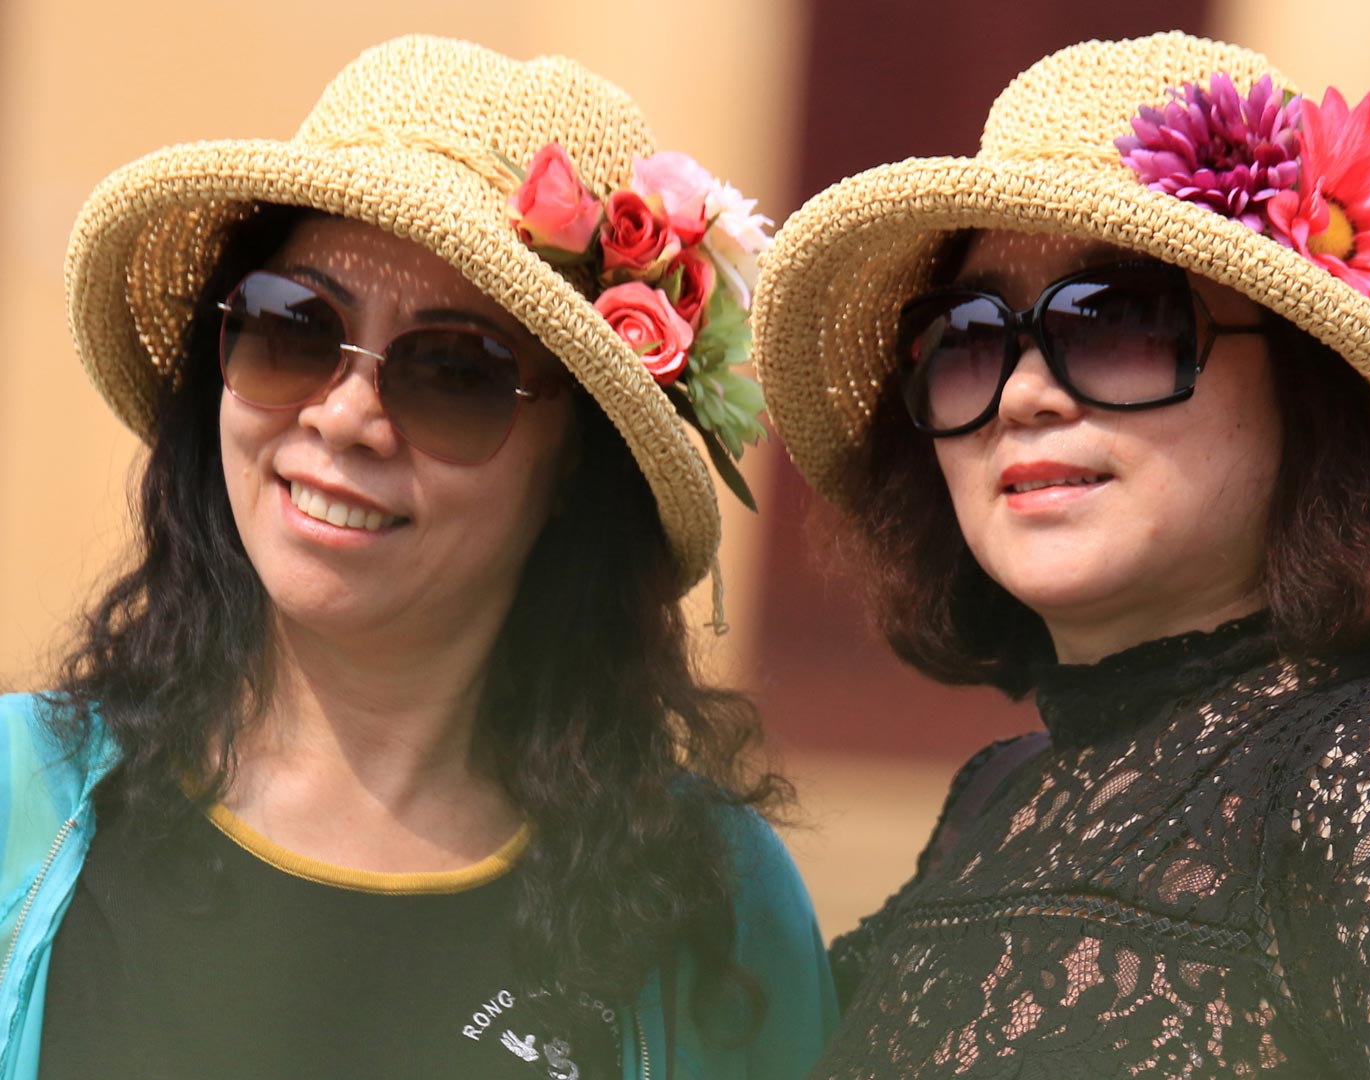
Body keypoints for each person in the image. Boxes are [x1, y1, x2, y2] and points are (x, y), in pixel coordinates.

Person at [752, 31, 1370, 1077]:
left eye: (1115, 322)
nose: (1021, 394)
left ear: (1308, 387)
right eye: (968, 339)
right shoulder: (997, 799)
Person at [0, 34, 834, 1080]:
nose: (345, 416)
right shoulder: (15, 806)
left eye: (452, 373)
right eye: (291, 329)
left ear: (574, 464)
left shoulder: (716, 908)